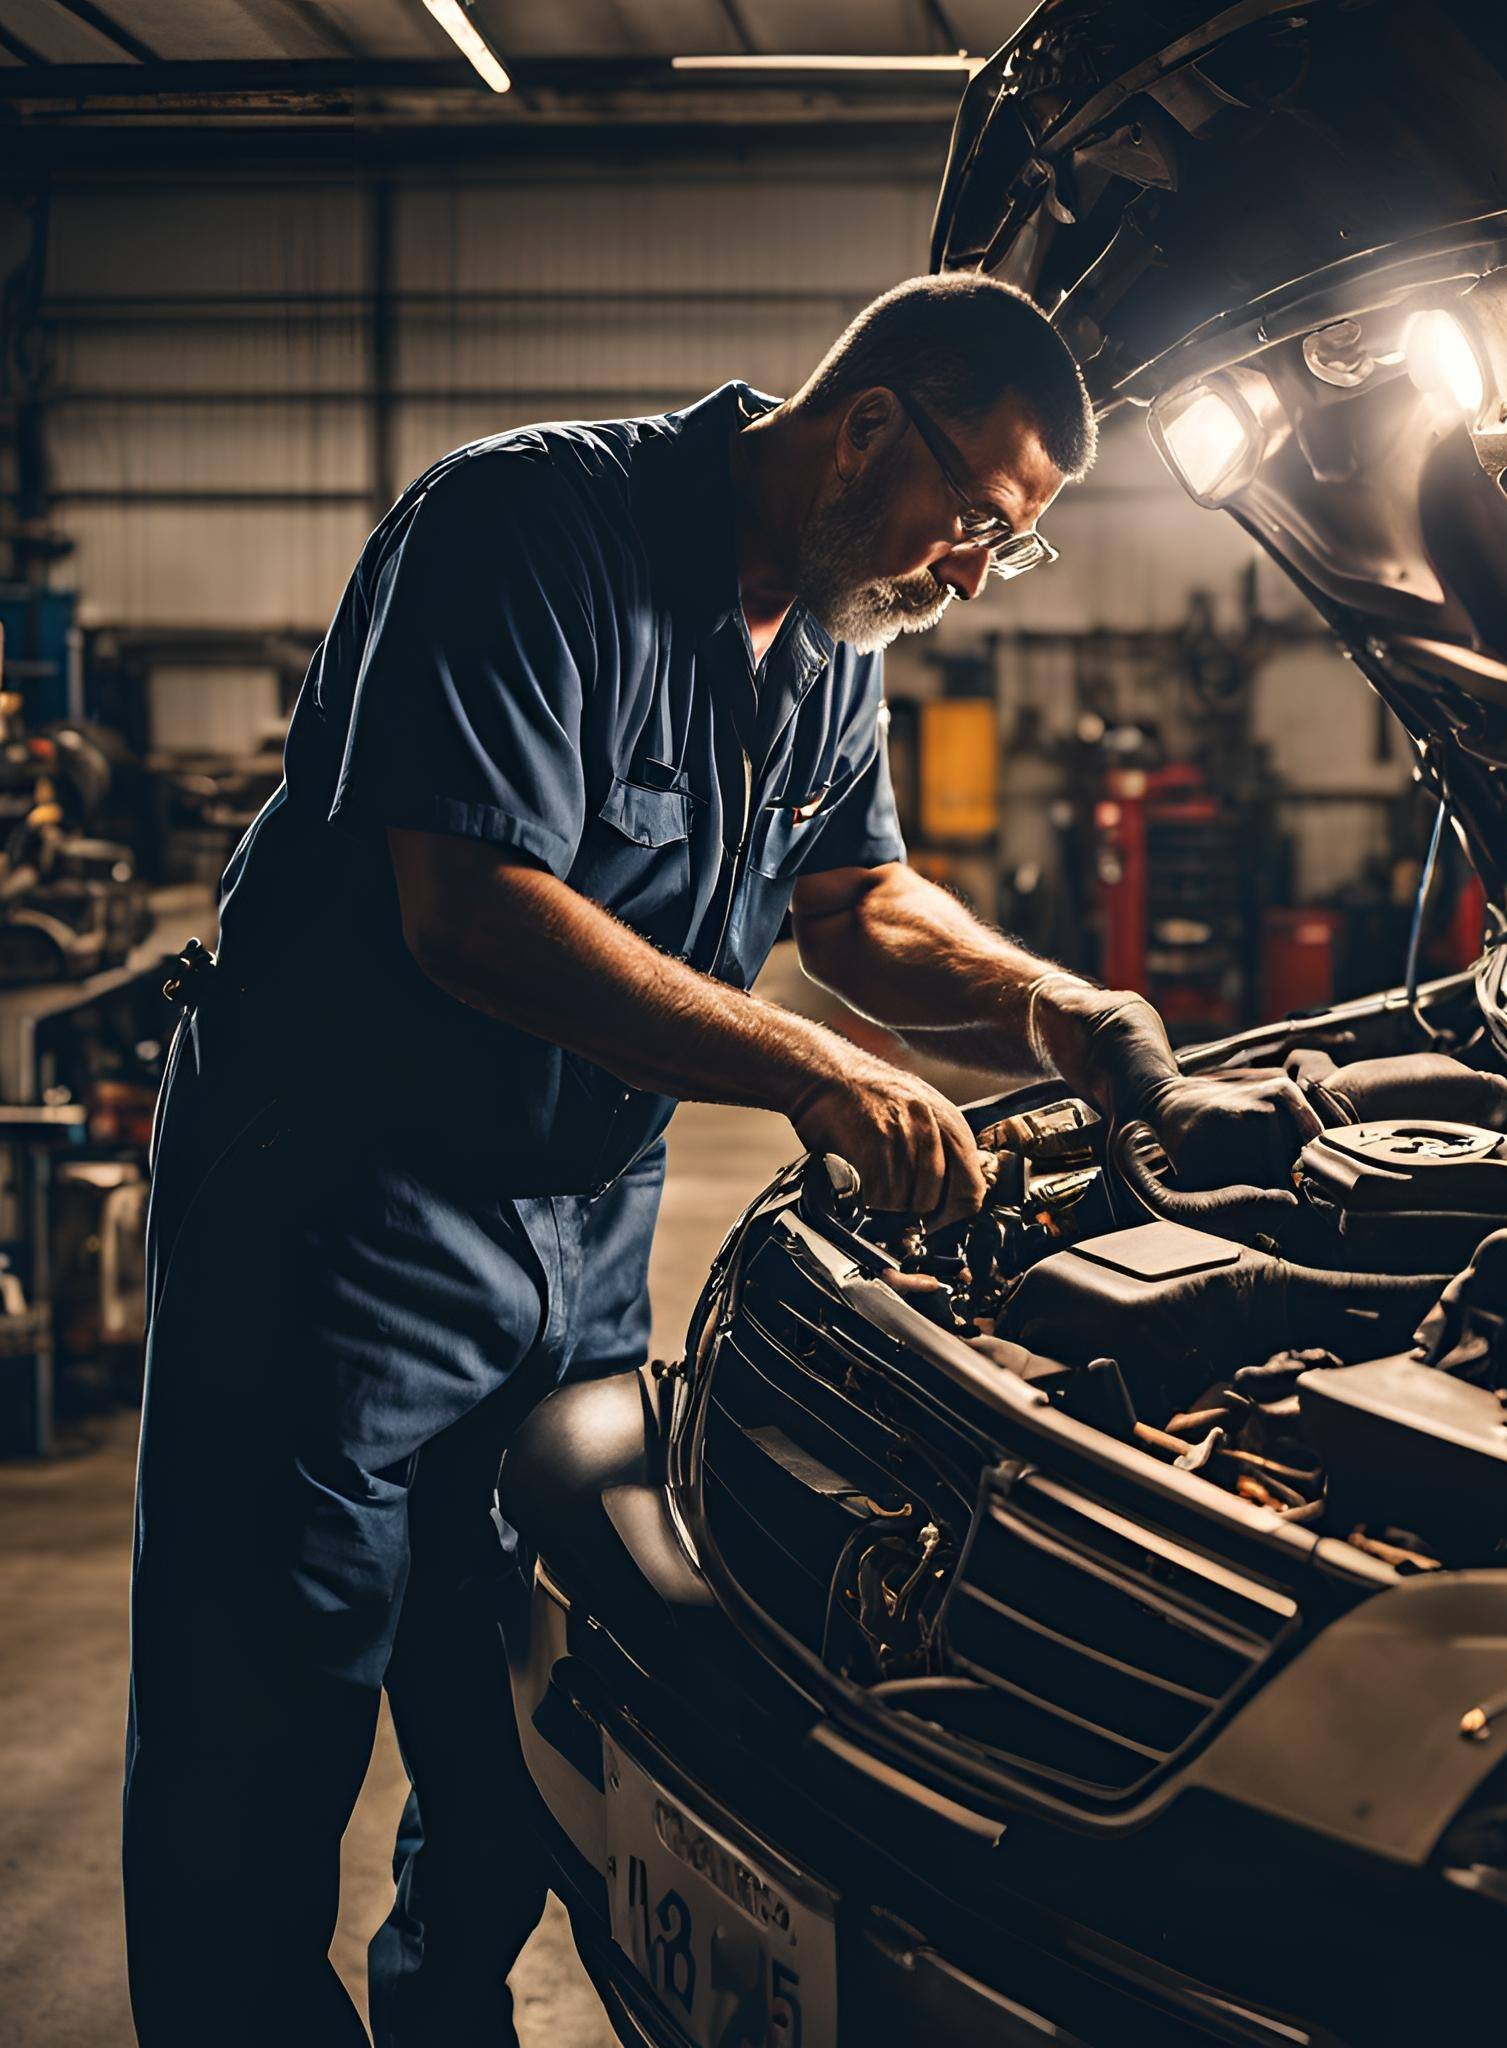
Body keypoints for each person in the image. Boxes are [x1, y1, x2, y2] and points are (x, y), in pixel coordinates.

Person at [123, 273, 1317, 2045]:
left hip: (581, 1240)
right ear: (864, 427)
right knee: (261, 1740)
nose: (976, 574)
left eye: (1016, 550)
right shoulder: (525, 528)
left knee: (513, 1733)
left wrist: (1078, 1020)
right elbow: (472, 913)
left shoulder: (830, 643)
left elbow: (860, 903)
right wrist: (812, 1069)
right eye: (976, 522)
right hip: (343, 1205)